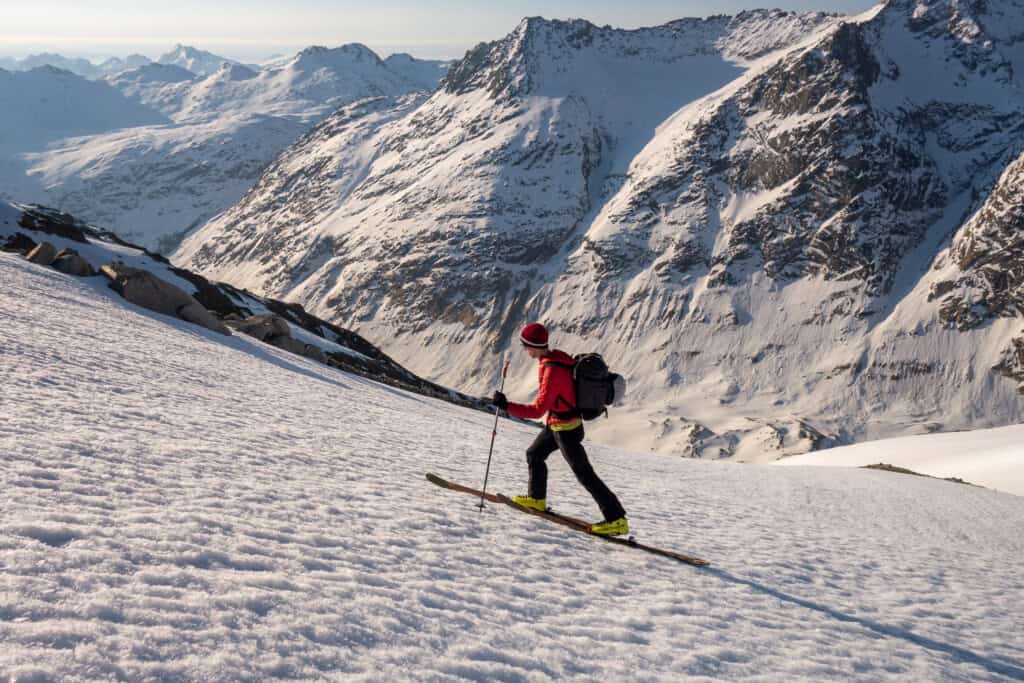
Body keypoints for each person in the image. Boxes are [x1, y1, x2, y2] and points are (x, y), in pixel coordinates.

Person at [491, 322, 628, 536]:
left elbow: (537, 410)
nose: (525, 350)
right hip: (558, 424)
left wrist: (506, 405)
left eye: (526, 345)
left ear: (534, 345)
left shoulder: (552, 370)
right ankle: (536, 499)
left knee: (584, 473)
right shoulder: (555, 358)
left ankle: (616, 519)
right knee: (534, 454)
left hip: (566, 429)